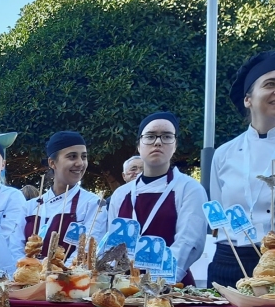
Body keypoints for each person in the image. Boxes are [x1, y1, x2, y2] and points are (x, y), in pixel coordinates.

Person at [108, 112, 207, 284]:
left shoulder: (189, 189)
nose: (158, 142)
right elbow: (112, 243)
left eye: (167, 136)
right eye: (150, 136)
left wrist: (158, 282)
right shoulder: (121, 194)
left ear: (175, 145)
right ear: (139, 145)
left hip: (170, 285)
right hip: (124, 285)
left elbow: (189, 242)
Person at [209, 50, 275, 287]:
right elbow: (217, 208)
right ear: (248, 99)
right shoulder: (224, 154)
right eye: (270, 84)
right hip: (230, 260)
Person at [22, 131, 107, 259]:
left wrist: (56, 270)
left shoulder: (93, 205)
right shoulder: (29, 207)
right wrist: (27, 267)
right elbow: (15, 248)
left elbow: (86, 251)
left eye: (84, 157)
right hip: (26, 271)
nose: (80, 163)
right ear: (52, 163)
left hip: (69, 272)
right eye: (72, 156)